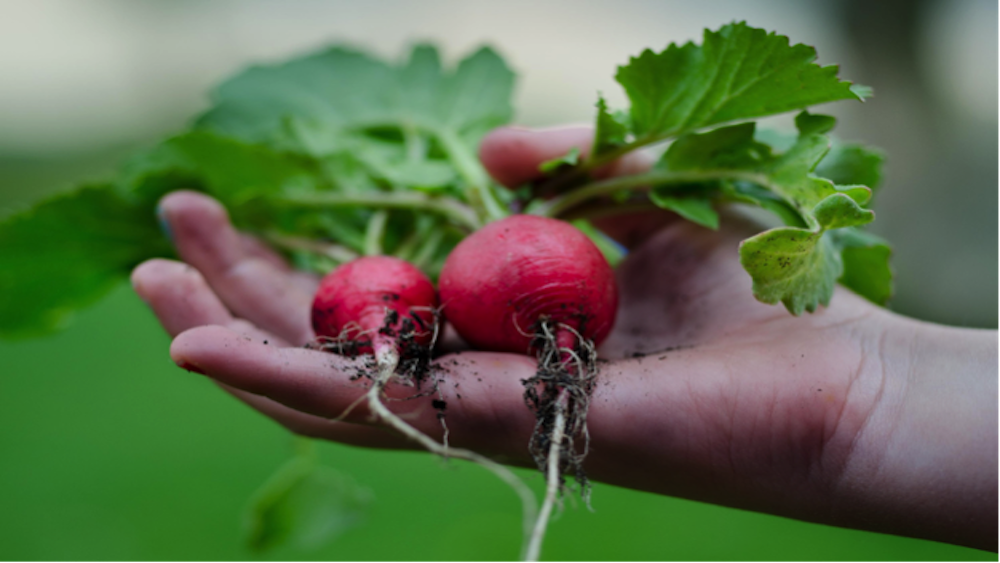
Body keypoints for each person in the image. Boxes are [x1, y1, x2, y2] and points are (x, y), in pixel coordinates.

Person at [131, 126, 999, 554]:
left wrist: (874, 405)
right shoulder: (420, 285)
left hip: (515, 270)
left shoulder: (506, 258)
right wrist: (874, 409)